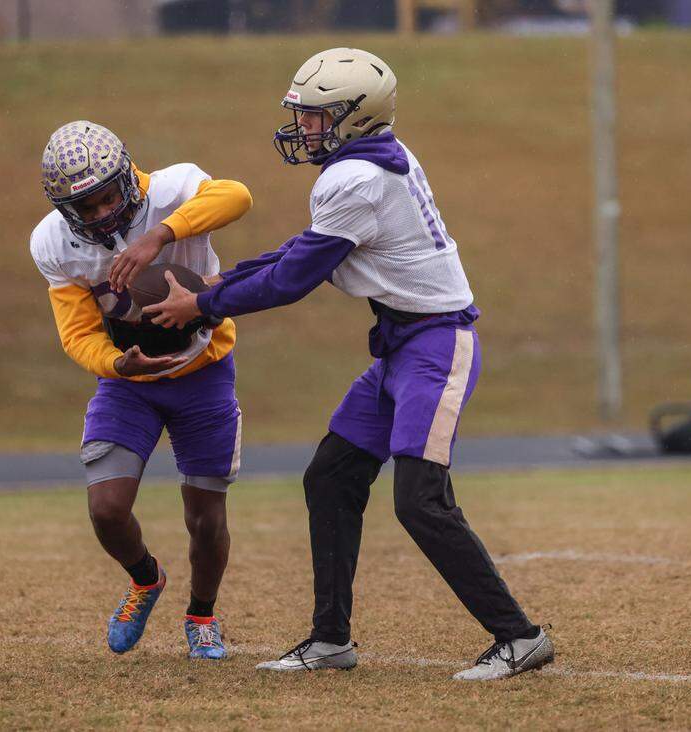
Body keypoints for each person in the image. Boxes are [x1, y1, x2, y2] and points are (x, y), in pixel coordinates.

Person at [143, 49, 555, 680]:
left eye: (317, 116)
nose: (305, 127)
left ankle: (519, 637)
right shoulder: (373, 159)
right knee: (330, 478)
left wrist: (202, 303)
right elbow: (296, 254)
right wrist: (219, 284)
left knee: (420, 501)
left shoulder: (354, 180)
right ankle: (330, 640)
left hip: (436, 345)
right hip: (401, 345)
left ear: (355, 118)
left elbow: (292, 280)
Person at [30, 120, 252, 660]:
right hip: (130, 383)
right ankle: (146, 579)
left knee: (205, 518)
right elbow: (78, 333)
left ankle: (202, 615)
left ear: (127, 177)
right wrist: (115, 363)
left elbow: (238, 196)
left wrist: (162, 234)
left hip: (202, 370)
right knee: (106, 509)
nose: (103, 213)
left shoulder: (174, 188)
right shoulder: (54, 244)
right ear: (65, 210)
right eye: (86, 207)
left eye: (108, 197)